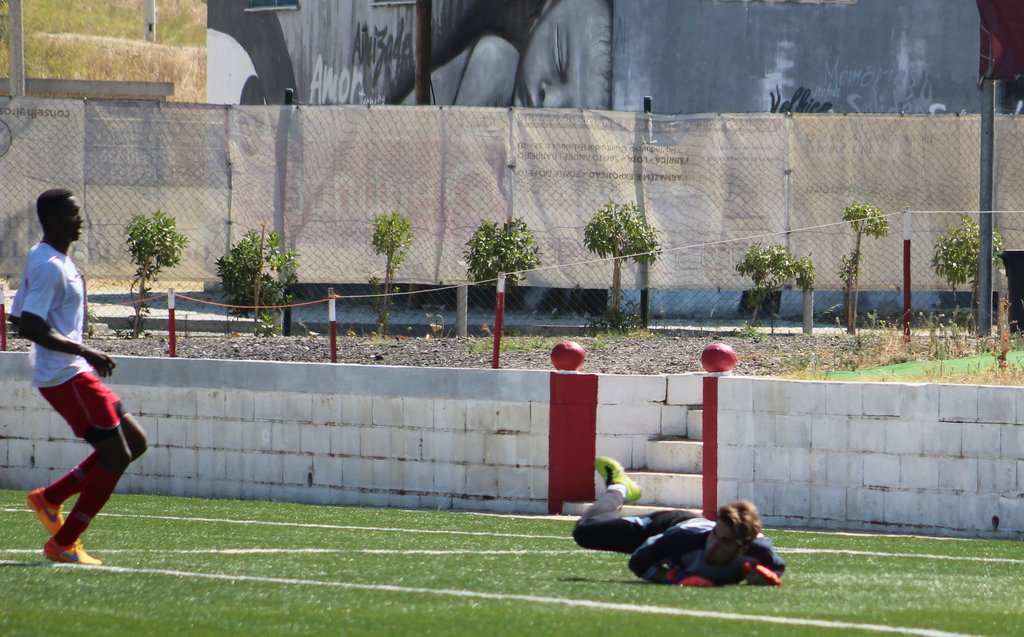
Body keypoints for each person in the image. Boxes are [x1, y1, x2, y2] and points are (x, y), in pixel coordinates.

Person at [10, 188, 148, 566]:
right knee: (116, 454)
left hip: (73, 370)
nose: (80, 219)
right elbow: (30, 326)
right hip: (64, 374)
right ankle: (64, 542)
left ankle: (50, 498)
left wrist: (79, 353)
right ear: (54, 220)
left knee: (134, 441)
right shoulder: (49, 265)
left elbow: (17, 315)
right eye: (73, 214)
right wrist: (84, 350)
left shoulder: (48, 258)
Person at [573, 457, 785, 586]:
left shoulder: (760, 553)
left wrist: (763, 579)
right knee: (584, 532)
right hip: (666, 526)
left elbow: (776, 570)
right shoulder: (685, 538)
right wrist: (674, 577)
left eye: (725, 541)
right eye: (715, 535)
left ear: (743, 547)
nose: (714, 544)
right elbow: (639, 561)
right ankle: (619, 487)